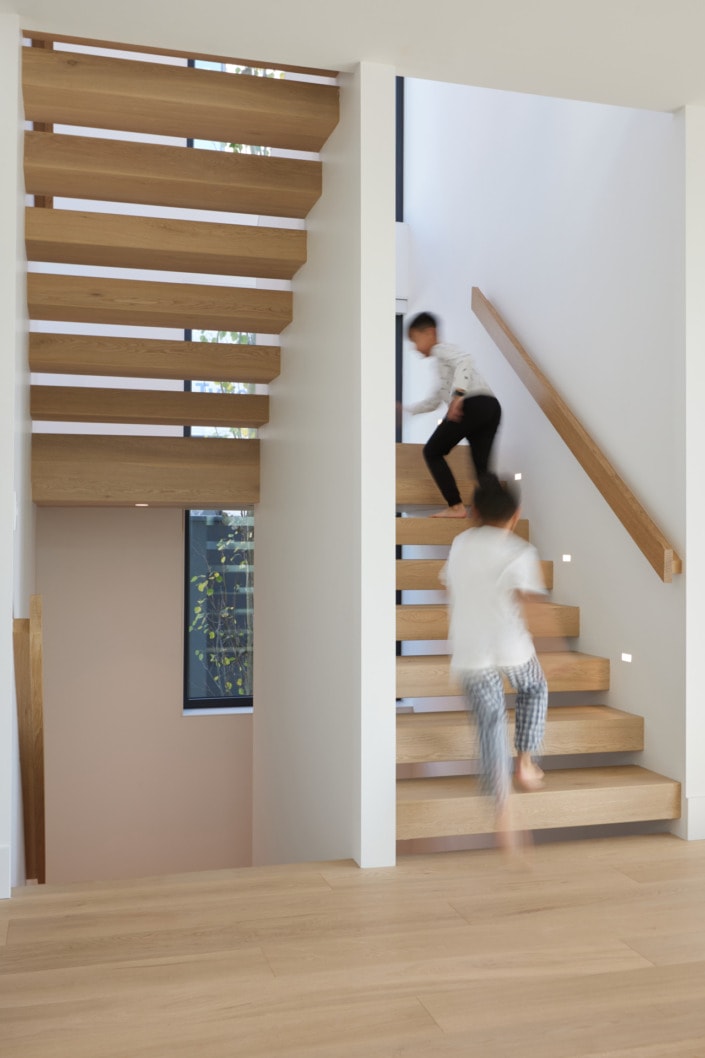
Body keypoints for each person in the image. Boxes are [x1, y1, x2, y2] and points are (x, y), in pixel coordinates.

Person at [440, 473, 548, 841]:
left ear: (473, 513)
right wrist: (558, 648)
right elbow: (530, 603)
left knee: (489, 721)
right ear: (516, 515)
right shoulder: (519, 551)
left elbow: (448, 584)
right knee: (534, 688)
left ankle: (502, 806)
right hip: (512, 646)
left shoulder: (459, 542)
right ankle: (526, 763)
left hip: (470, 651)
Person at [405, 311, 501, 518]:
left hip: (472, 404)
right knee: (481, 468)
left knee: (432, 451)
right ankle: (497, 514)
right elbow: (434, 400)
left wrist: (458, 395)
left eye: (415, 339)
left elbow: (465, 361)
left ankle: (456, 506)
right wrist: (407, 410)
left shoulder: (441, 350)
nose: (414, 347)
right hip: (490, 407)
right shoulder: (441, 365)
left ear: (430, 333)